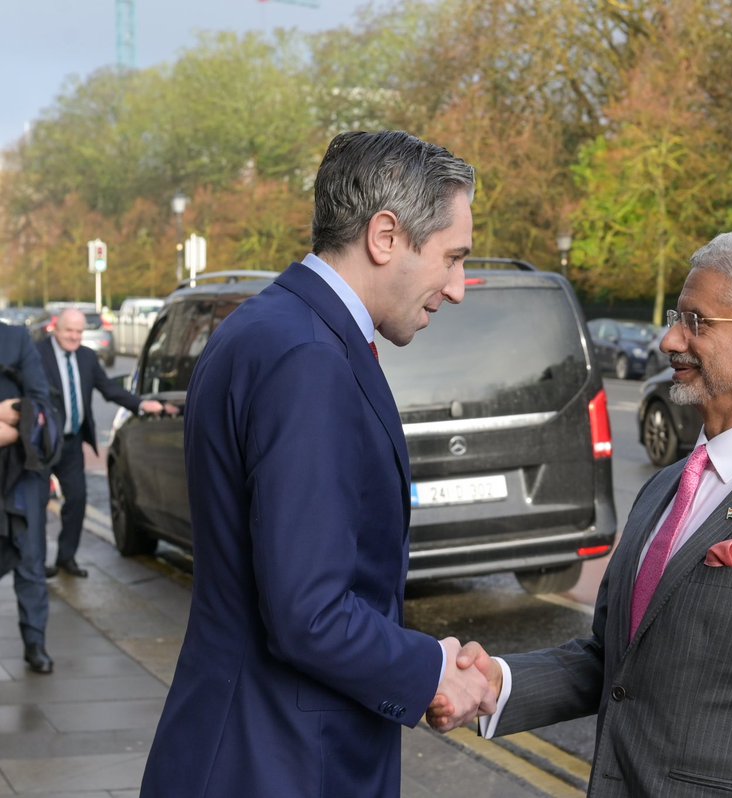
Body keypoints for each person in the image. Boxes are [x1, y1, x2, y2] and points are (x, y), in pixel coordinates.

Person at [434, 233, 732, 796]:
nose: (669, 339)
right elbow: (616, 662)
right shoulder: (666, 487)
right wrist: (494, 684)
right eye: (678, 316)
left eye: (698, 322)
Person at [140, 130, 493, 797]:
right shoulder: (309, 359)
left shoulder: (270, 325)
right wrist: (431, 671)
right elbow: (309, 612)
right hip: (282, 761)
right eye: (452, 258)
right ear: (385, 236)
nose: (457, 288)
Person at [37, 307, 173, 578]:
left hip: (72, 442)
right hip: (41, 444)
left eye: (79, 332)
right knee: (37, 502)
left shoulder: (87, 357)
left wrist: (142, 404)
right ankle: (36, 564)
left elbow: (109, 389)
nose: (74, 337)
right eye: (69, 331)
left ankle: (67, 557)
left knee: (77, 500)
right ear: (56, 328)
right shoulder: (37, 354)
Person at [0, 322, 56, 673]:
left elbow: (39, 401)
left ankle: (35, 641)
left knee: (31, 558)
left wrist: (13, 419)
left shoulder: (16, 338)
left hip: (20, 471)